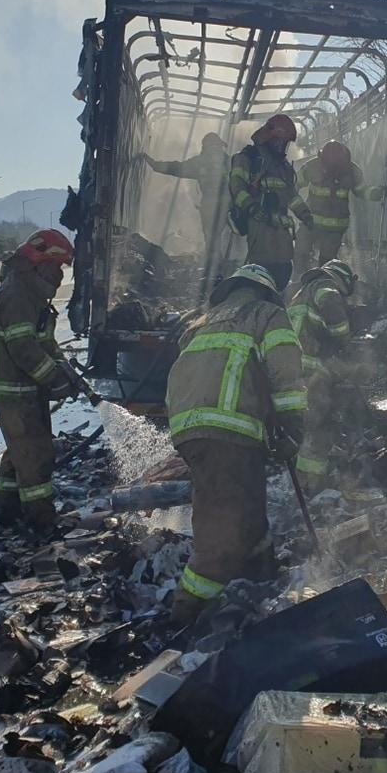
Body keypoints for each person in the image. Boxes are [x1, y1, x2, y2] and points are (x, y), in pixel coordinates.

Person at [165, 264, 307, 625]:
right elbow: (285, 374)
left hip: (191, 431)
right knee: (223, 536)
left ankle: (263, 575)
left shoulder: (201, 323)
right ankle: (182, 615)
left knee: (248, 510)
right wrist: (291, 427)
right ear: (265, 292)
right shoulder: (266, 314)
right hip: (228, 430)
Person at [0, 229, 82, 533]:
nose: (58, 277)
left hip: (26, 390)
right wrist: (53, 379)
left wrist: (66, 372)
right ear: (39, 264)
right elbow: (24, 349)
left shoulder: (30, 294)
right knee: (36, 454)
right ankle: (42, 519)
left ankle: (6, 510)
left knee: (20, 451)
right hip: (16, 391)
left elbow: (45, 344)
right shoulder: (17, 296)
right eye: (56, 268)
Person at [287, 259, 364, 492]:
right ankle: (312, 483)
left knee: (307, 426)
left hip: (294, 370)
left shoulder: (301, 293)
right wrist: (346, 340)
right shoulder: (326, 288)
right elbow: (336, 319)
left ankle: (304, 478)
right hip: (311, 371)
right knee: (319, 426)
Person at [228, 114, 313, 293]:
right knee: (261, 267)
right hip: (259, 222)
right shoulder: (248, 158)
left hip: (281, 225)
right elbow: (237, 187)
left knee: (284, 268)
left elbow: (292, 195)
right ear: (269, 137)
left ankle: (276, 303)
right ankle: (256, 303)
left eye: (285, 143)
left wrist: (304, 214)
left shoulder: (284, 167)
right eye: (280, 142)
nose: (282, 147)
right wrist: (251, 206)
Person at [144, 132, 232, 282]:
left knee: (211, 237)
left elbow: (178, 168)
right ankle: (219, 267)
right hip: (226, 204)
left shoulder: (201, 162)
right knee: (217, 236)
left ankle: (215, 270)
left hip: (210, 204)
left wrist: (155, 165)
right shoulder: (229, 161)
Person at [293, 141, 387, 272]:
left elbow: (362, 190)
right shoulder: (313, 166)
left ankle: (320, 283)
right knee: (301, 254)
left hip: (331, 227)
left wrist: (377, 193)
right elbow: (295, 184)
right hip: (312, 223)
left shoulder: (351, 171)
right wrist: (295, 204)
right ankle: (300, 280)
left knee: (325, 262)